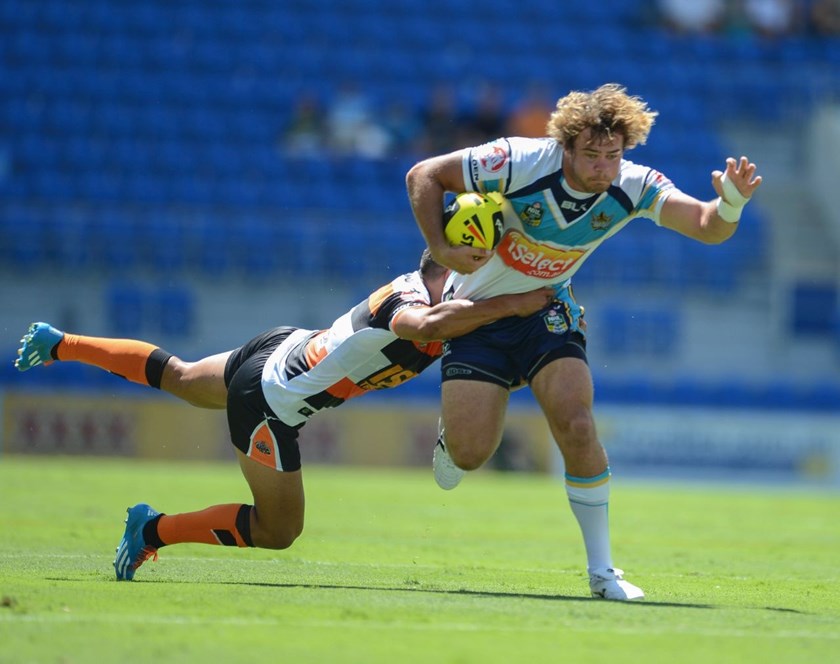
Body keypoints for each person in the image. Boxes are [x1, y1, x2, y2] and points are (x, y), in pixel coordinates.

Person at [405, 83, 763, 601]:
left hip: (547, 311)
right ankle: (453, 442)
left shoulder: (634, 186)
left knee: (576, 422)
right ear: (565, 147)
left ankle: (603, 572)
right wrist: (440, 247)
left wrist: (730, 202)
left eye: (612, 155)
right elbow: (424, 174)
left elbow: (708, 227)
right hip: (477, 315)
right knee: (470, 455)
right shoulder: (519, 159)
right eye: (590, 155)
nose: (602, 166)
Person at [14, 251, 554, 581]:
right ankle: (152, 529)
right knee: (279, 530)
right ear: (448, 270)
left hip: (280, 347)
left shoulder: (449, 310)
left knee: (178, 376)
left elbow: (480, 356)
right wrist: (508, 306)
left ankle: (62, 343)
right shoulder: (409, 296)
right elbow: (420, 329)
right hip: (271, 400)